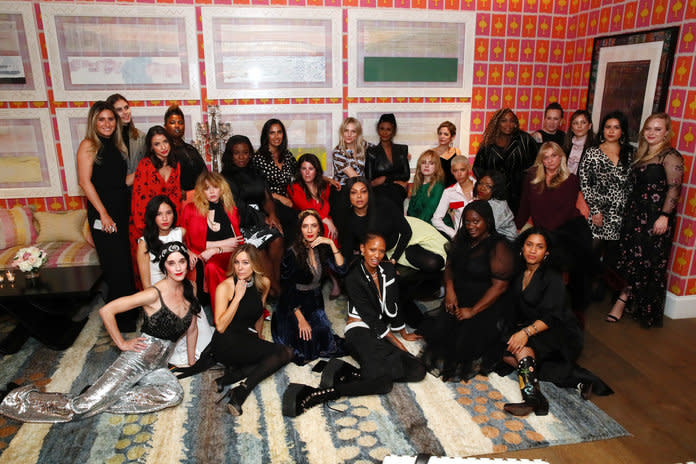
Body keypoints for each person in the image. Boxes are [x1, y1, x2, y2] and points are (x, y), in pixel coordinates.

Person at [0, 242, 199, 422]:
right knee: (80, 407)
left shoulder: (190, 288)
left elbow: (192, 328)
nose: (179, 267)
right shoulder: (153, 293)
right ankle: (15, 399)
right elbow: (107, 310)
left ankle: (100, 396)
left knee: (173, 395)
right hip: (138, 360)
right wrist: (122, 343)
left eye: (182, 261)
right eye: (172, 263)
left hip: (159, 365)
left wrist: (192, 362)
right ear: (165, 266)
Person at [282, 233, 425, 417]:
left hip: (379, 330)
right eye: (372, 249)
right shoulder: (353, 278)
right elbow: (370, 318)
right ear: (363, 249)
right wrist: (400, 346)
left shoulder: (388, 271)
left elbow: (394, 305)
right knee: (383, 383)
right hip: (359, 331)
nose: (377, 255)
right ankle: (316, 394)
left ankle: (348, 372)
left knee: (417, 370)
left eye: (381, 251)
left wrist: (403, 332)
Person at [502, 228, 611, 417]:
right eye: (529, 245)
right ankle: (575, 379)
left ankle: (532, 398)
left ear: (547, 253)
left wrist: (524, 333)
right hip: (534, 327)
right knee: (502, 353)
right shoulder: (520, 272)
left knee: (521, 349)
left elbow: (552, 316)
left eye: (539, 247)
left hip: (559, 331)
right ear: (522, 247)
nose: (533, 250)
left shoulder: (551, 277)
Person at [420, 200, 514, 382]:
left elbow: (500, 286)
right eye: (468, 221)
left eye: (476, 221)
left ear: (487, 221)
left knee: (463, 349)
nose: (471, 226)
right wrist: (449, 290)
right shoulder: (462, 238)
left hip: (485, 302)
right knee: (438, 338)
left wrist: (472, 311)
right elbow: (449, 266)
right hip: (458, 295)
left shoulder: (498, 246)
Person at [609, 113, 684, 328]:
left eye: (658, 129)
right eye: (649, 128)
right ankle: (630, 302)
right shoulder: (641, 154)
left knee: (644, 262)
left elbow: (674, 188)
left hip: (655, 217)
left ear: (667, 133)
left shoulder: (671, 156)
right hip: (635, 214)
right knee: (629, 258)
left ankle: (622, 303)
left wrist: (664, 216)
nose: (651, 133)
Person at [77, 101, 137, 332]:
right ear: (94, 121)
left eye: (111, 119)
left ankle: (129, 314)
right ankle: (121, 322)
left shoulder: (116, 146)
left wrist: (143, 169)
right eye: (101, 119)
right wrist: (104, 214)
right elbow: (85, 182)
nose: (107, 124)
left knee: (126, 264)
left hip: (122, 212)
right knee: (117, 267)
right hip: (105, 217)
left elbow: (119, 183)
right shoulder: (88, 145)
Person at [212, 245, 293, 416]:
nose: (240, 268)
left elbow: (259, 314)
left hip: (246, 336)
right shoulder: (225, 287)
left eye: (245, 263)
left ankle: (227, 380)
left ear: (254, 264)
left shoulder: (263, 282)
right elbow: (220, 326)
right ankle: (242, 391)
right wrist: (237, 297)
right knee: (283, 353)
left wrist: (259, 336)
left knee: (277, 354)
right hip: (225, 342)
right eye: (236, 262)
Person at [516, 142, 593, 314]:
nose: (550, 160)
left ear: (561, 157)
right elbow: (525, 204)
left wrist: (545, 236)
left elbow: (565, 213)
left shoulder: (571, 180)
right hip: (543, 228)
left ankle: (561, 306)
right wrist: (519, 226)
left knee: (556, 259)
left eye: (554, 156)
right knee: (519, 252)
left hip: (568, 228)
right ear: (541, 159)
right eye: (546, 156)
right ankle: (528, 301)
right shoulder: (531, 177)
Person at [136, 196, 214, 367]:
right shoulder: (144, 243)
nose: (164, 218)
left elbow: (183, 253)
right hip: (161, 296)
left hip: (181, 289)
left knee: (204, 339)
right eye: (159, 214)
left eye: (168, 213)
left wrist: (191, 252)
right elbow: (145, 284)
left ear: (174, 214)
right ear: (152, 217)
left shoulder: (180, 233)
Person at [271, 210, 346, 364]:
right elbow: (287, 288)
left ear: (319, 228)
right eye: (305, 226)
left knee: (324, 338)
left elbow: (342, 269)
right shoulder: (292, 252)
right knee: (305, 346)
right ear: (300, 229)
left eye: (314, 226)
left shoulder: (323, 247)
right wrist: (300, 319)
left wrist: (331, 243)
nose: (310, 230)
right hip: (293, 301)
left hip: (315, 300)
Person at [337, 177, 445, 273]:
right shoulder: (348, 218)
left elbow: (407, 232)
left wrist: (393, 260)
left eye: (363, 191)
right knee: (433, 263)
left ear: (369, 193)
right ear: (348, 196)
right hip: (387, 249)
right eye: (354, 192)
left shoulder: (384, 204)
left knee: (443, 253)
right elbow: (348, 249)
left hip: (406, 233)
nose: (359, 196)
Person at [221, 135, 283, 296]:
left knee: (277, 239)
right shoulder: (225, 177)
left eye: (245, 152)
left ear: (250, 154)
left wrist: (273, 215)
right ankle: (277, 289)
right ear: (230, 154)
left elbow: (266, 196)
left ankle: (274, 283)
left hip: (260, 217)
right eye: (237, 153)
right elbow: (238, 207)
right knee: (259, 249)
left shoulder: (256, 171)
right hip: (242, 222)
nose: (241, 157)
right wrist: (263, 218)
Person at [578, 111, 633, 281]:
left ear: (622, 131)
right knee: (590, 255)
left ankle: (602, 292)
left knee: (613, 258)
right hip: (599, 212)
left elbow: (631, 183)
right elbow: (585, 183)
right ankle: (582, 292)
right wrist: (595, 211)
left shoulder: (629, 153)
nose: (611, 131)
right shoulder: (592, 152)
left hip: (621, 213)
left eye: (616, 127)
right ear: (602, 129)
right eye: (608, 127)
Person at [182, 172, 243, 315]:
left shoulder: (230, 209)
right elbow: (182, 239)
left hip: (230, 255)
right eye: (206, 188)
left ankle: (225, 312)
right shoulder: (190, 209)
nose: (211, 192)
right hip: (204, 257)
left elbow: (237, 243)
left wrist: (215, 250)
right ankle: (221, 314)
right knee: (211, 267)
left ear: (222, 188)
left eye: (215, 187)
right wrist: (190, 251)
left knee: (213, 265)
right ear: (201, 191)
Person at [130, 125, 182, 263]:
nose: (163, 147)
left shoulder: (175, 165)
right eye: (157, 144)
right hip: (147, 227)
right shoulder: (145, 165)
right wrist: (146, 231)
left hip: (168, 225)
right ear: (151, 147)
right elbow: (138, 201)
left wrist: (175, 227)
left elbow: (176, 198)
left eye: (165, 142)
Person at [473, 108, 537, 215]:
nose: (508, 124)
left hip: (519, 194)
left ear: (516, 123)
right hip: (494, 196)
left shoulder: (525, 139)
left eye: (512, 121)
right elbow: (478, 167)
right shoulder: (488, 143)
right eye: (504, 121)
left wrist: (526, 180)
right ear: (497, 123)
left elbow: (537, 162)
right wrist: (488, 185)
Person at [252, 119, 299, 242]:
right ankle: (287, 257)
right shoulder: (259, 158)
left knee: (303, 215)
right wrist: (279, 197)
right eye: (272, 133)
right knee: (292, 217)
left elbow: (301, 172)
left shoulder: (287, 155)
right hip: (267, 201)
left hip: (286, 200)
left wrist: (327, 180)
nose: (276, 136)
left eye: (279, 132)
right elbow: (256, 187)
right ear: (266, 136)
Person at [287, 153, 339, 242]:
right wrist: (326, 221)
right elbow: (306, 207)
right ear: (300, 171)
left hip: (328, 229)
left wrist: (331, 222)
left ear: (316, 170)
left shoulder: (324, 186)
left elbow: (327, 208)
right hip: (307, 227)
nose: (307, 172)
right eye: (304, 169)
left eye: (311, 169)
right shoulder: (293, 188)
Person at [366, 113, 411, 208]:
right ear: (378, 130)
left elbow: (406, 175)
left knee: (394, 194)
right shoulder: (371, 152)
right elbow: (371, 181)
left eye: (388, 129)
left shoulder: (402, 149)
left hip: (397, 190)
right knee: (383, 198)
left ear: (393, 131)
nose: (384, 133)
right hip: (379, 190)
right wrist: (394, 180)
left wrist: (386, 179)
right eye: (382, 129)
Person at [164, 104, 207, 200]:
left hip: (198, 199)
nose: (177, 126)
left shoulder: (191, 149)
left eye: (180, 122)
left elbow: (204, 173)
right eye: (172, 122)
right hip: (175, 201)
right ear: (165, 127)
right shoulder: (164, 151)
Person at [106, 93, 147, 187]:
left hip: (138, 192)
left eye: (126, 107)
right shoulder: (107, 139)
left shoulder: (141, 137)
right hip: (115, 192)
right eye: (119, 110)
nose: (125, 112)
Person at [431, 155, 475, 239]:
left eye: (462, 169)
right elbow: (436, 219)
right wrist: (453, 234)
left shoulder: (480, 187)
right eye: (455, 171)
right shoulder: (449, 192)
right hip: (463, 238)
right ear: (451, 171)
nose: (459, 174)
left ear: (469, 168)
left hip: (483, 237)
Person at [474, 170, 516, 241]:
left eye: (488, 186)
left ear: (496, 189)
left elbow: (484, 231)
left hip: (507, 243)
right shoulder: (483, 201)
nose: (482, 188)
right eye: (480, 183)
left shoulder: (498, 206)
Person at [406, 149, 446, 224]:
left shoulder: (438, 186)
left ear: (436, 167)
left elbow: (429, 211)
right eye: (423, 162)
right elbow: (411, 210)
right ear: (419, 165)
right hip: (419, 224)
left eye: (431, 163)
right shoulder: (417, 184)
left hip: (435, 226)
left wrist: (416, 226)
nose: (426, 166)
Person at [332, 117, 371, 187]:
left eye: (353, 131)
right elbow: (354, 177)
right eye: (346, 130)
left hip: (360, 188)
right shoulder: (338, 152)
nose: (349, 134)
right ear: (342, 132)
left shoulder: (364, 145)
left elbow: (380, 150)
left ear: (358, 134)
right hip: (343, 188)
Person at [562, 109, 596, 175]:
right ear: (571, 128)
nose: (579, 126)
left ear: (589, 126)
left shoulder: (595, 147)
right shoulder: (566, 144)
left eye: (583, 122)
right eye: (575, 123)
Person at [432, 121, 461, 187]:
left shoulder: (457, 151)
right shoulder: (432, 153)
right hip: (437, 188)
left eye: (446, 134)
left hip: (454, 188)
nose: (442, 136)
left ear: (452, 137)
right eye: (440, 133)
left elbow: (459, 173)